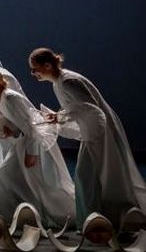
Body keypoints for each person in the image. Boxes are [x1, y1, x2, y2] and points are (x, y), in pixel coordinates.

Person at [30, 48, 146, 226]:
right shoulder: (59, 82)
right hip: (92, 131)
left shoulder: (67, 82)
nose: (33, 73)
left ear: (47, 65)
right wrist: (59, 116)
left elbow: (90, 108)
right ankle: (94, 219)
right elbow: (80, 108)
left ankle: (97, 220)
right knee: (89, 174)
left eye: (35, 69)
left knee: (92, 174)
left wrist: (60, 116)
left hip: (98, 132)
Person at [0, 68, 74, 227]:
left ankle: (50, 214)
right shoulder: (0, 99)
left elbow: (30, 126)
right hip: (24, 142)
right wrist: (13, 130)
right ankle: (23, 212)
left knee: (37, 183)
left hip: (33, 144)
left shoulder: (10, 98)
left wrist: (32, 153)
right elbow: (20, 124)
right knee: (10, 175)